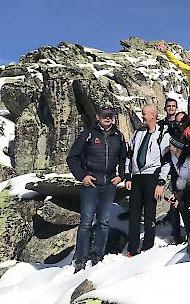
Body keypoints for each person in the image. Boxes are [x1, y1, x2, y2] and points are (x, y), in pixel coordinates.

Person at [67, 106, 126, 272]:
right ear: (97, 116)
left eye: (110, 115)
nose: (107, 118)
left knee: (103, 222)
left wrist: (121, 175)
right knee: (86, 223)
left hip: (109, 185)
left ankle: (97, 256)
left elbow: (123, 158)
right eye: (104, 115)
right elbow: (72, 158)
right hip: (91, 185)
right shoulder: (88, 134)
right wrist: (82, 176)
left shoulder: (118, 136)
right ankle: (81, 259)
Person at [124, 104, 171, 256]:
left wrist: (161, 182)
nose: (142, 116)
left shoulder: (163, 135)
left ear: (152, 115)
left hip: (152, 176)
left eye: (144, 114)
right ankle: (132, 248)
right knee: (134, 214)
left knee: (150, 213)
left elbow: (166, 161)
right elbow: (129, 156)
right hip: (137, 177)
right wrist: (128, 176)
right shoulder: (138, 133)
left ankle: (147, 247)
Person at [164, 135, 190, 244]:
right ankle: (188, 233)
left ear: (178, 147)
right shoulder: (173, 156)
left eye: (171, 145)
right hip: (183, 187)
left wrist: (182, 193)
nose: (169, 147)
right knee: (180, 207)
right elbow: (174, 174)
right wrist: (175, 192)